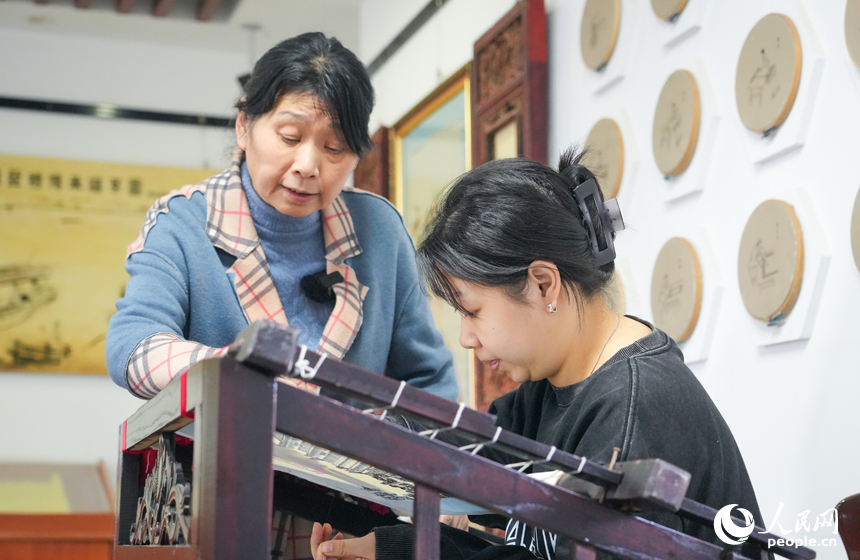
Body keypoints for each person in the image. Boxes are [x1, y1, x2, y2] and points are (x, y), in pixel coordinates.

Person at [309, 149, 765, 560]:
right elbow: (473, 461)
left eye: (472, 311)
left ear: (544, 284)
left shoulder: (636, 407)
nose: (466, 338)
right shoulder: (545, 390)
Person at [106, 32, 459, 559]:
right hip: (208, 508)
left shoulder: (379, 231)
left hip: (345, 520)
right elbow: (132, 346)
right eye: (291, 136)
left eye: (334, 147)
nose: (308, 165)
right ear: (245, 125)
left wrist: (437, 474)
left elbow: (428, 381)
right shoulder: (183, 222)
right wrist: (236, 372)